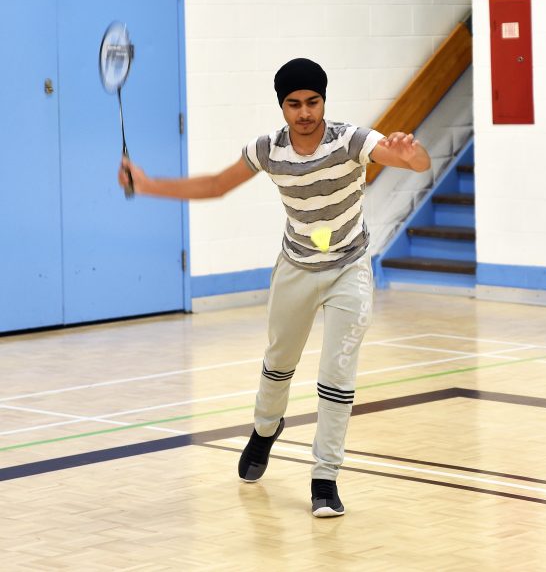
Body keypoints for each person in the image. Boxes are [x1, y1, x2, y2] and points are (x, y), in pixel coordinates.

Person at [118, 58, 431, 515]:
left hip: (350, 267)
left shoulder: (352, 141)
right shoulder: (267, 149)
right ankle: (265, 430)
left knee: (337, 378)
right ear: (282, 106)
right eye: (294, 104)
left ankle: (324, 478)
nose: (305, 113)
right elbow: (216, 185)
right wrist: (147, 185)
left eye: (313, 102)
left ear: (324, 101)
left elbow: (415, 163)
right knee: (279, 364)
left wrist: (410, 152)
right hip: (296, 267)